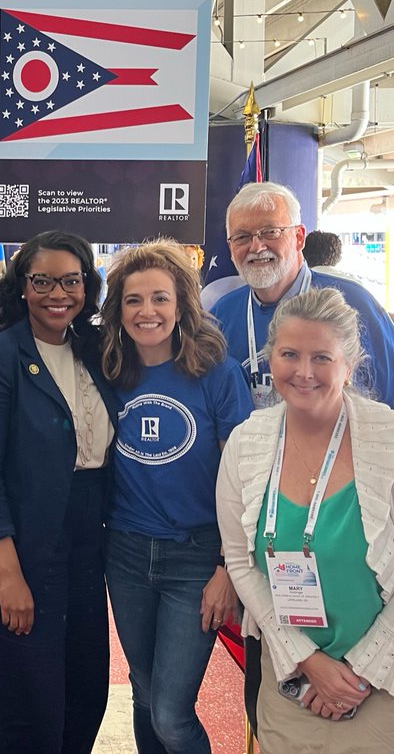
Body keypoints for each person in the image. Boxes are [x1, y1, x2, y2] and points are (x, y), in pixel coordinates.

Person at [216, 288, 394, 752]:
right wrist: (309, 663)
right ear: (270, 359)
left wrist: (358, 673)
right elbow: (240, 562)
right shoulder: (247, 444)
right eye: (289, 354)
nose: (303, 372)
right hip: (302, 682)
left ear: (350, 363)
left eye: (322, 357)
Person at [209, 182, 394, 594]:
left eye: (270, 231)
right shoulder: (222, 315)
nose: (257, 246)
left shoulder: (351, 303)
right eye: (242, 236)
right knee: (276, 645)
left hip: (353, 514)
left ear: (299, 237)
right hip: (265, 515)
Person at [0, 230, 117, 753]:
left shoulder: (95, 349)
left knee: (84, 697)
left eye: (71, 281)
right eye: (42, 280)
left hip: (85, 551)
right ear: (22, 286)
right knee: (29, 713)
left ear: (87, 287)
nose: (57, 294)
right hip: (20, 553)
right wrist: (8, 575)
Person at [98, 242, 252, 754]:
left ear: (182, 305)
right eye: (134, 300)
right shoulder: (110, 371)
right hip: (125, 552)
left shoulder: (217, 374)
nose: (148, 312)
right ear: (117, 309)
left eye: (160, 299)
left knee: (170, 713)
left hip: (197, 558)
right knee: (143, 697)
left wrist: (228, 567)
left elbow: (243, 479)